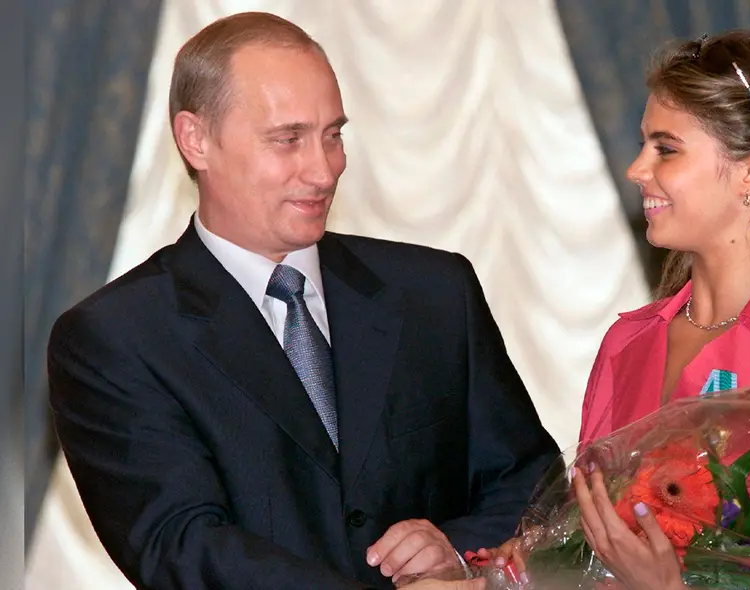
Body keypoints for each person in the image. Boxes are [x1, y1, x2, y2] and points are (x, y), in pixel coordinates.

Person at [47, 12, 558, 590]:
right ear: (196, 140)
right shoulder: (115, 338)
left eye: (333, 135)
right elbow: (181, 547)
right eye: (288, 140)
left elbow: (530, 483)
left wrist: (457, 553)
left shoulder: (435, 292)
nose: (324, 170)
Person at [484, 30, 750, 590]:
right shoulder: (626, 344)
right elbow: (588, 548)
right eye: (643, 144)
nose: (637, 169)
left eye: (666, 148)